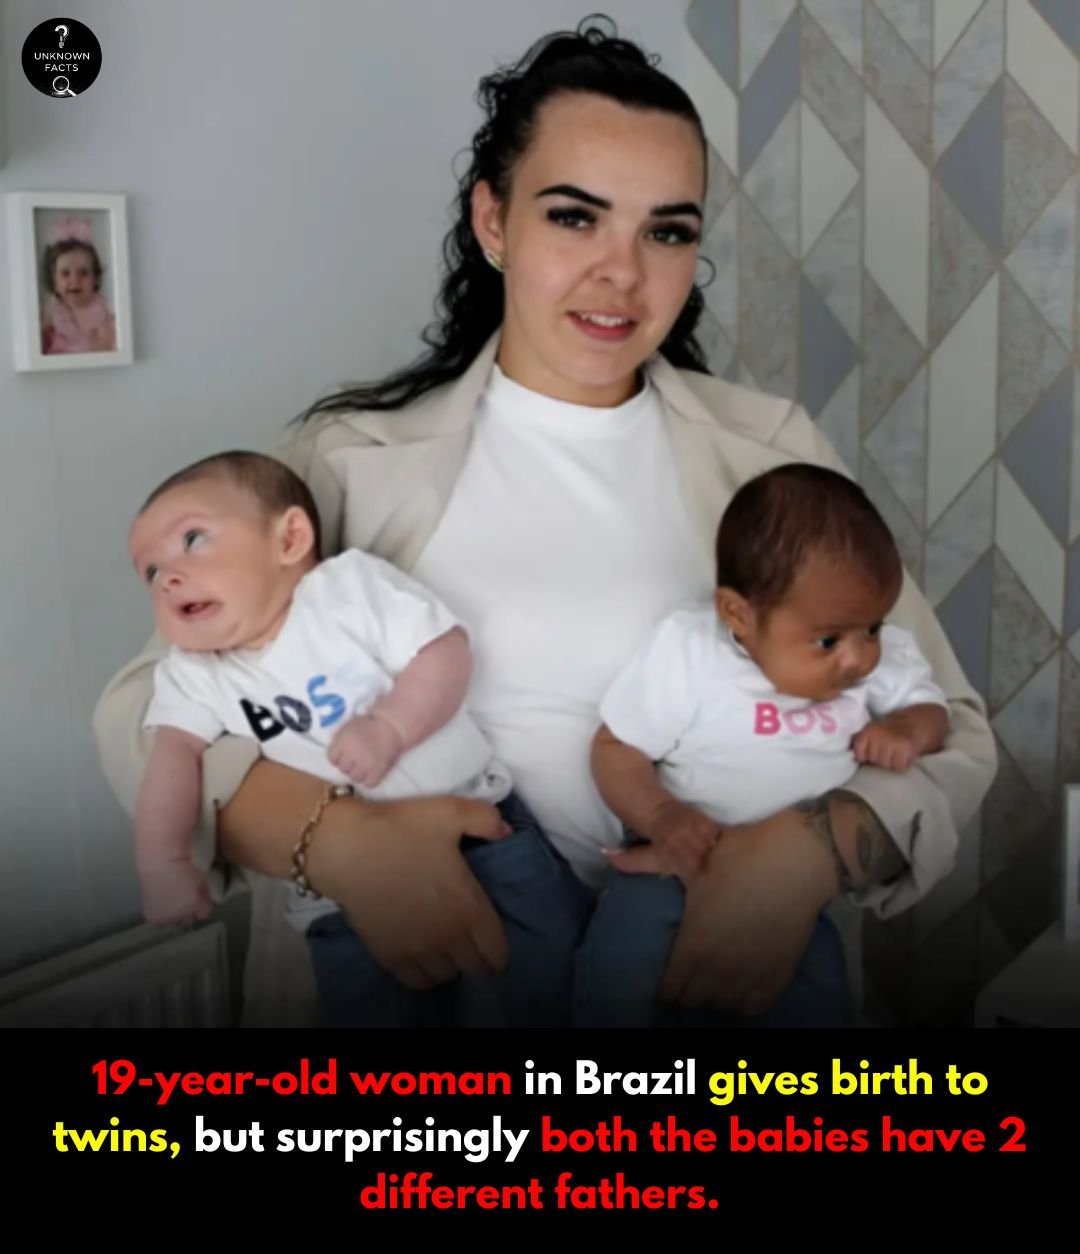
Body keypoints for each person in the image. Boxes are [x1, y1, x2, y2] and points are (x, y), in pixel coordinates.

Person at [94, 18, 996, 1028]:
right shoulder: (342, 462)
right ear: (493, 220)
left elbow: (950, 728)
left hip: (708, 1007)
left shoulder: (771, 453)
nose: (623, 273)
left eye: (667, 231)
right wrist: (339, 844)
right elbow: (143, 717)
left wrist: (808, 857)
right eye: (575, 217)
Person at [128, 450, 584, 1027]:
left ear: (290, 538)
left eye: (193, 540)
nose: (168, 576)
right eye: (149, 573)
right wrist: (164, 860)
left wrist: (390, 726)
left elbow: (443, 651)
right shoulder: (195, 672)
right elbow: (172, 758)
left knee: (550, 983)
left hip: (482, 833)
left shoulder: (348, 589)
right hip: (343, 897)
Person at [580, 464, 949, 1027]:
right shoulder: (691, 650)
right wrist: (660, 815)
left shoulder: (881, 662)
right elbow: (616, 747)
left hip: (791, 889)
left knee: (812, 999)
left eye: (872, 629)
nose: (858, 658)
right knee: (621, 982)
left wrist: (908, 729)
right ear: (738, 614)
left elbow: (936, 714)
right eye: (828, 640)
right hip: (673, 860)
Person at [40, 217, 116, 354]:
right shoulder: (52, 311)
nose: (75, 280)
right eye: (65, 273)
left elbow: (108, 347)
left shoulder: (101, 313)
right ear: (54, 279)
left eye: (84, 273)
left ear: (95, 278)